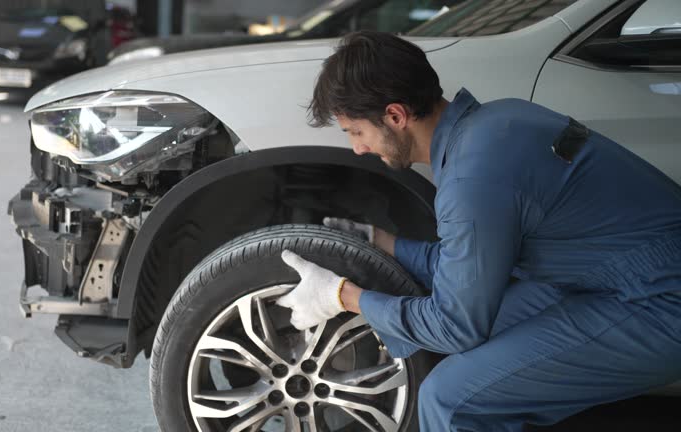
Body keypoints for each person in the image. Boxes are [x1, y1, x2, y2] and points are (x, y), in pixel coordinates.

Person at [275, 31, 681, 431]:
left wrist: (343, 296)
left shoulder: (473, 181)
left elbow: (455, 324)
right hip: (604, 276)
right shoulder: (500, 120)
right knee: (431, 340)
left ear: (395, 116)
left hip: (659, 301)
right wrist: (384, 243)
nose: (358, 149)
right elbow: (472, 266)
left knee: (451, 402)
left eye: (356, 132)